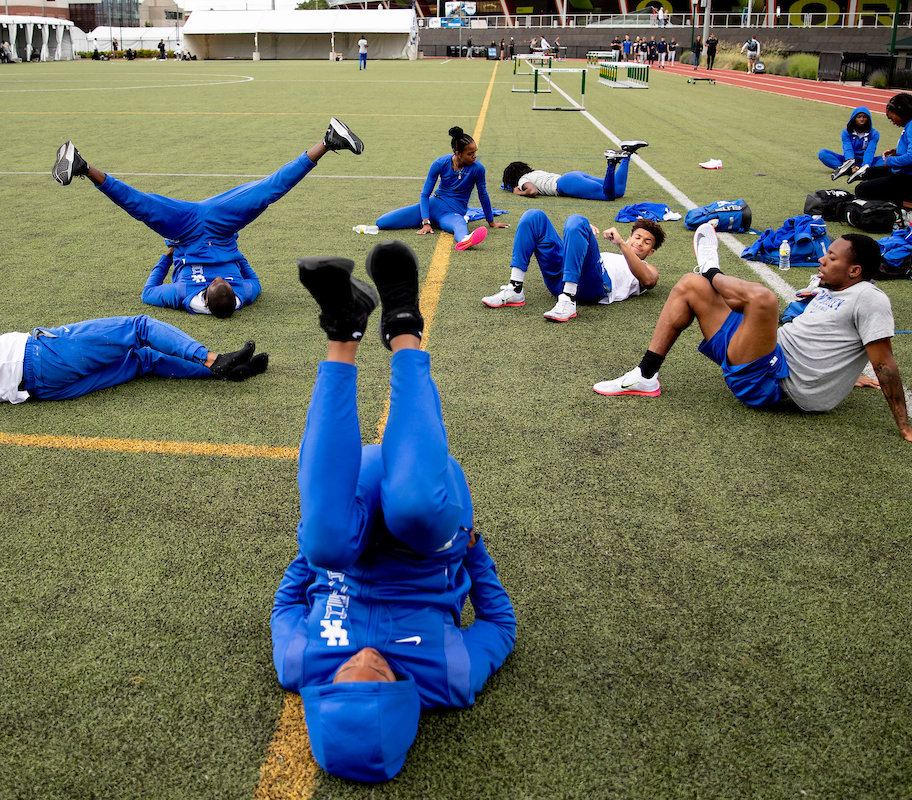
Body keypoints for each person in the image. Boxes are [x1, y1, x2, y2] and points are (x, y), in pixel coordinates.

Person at [272, 240, 516, 783]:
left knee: (322, 543)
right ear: (402, 697)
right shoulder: (449, 678)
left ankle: (344, 328)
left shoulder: (297, 663)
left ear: (325, 689)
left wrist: (310, 548)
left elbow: (288, 600)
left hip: (353, 510)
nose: (362, 662)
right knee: (410, 509)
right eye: (377, 679)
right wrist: (475, 554)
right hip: (428, 524)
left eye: (345, 678)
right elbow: (501, 624)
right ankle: (404, 324)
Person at [592, 224, 912, 449]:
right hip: (765, 357)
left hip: (774, 385)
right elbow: (829, 341)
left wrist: (905, 427)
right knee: (689, 286)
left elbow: (885, 362)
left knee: (762, 297)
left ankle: (711, 266)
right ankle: (645, 375)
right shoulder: (831, 291)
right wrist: (846, 373)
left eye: (830, 257)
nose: (821, 261)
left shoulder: (870, 298)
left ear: (855, 270)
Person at [51, 119, 364, 318]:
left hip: (185, 229)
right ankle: (328, 140)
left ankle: (81, 165)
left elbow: (149, 293)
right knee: (268, 191)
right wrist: (235, 252)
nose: (220, 278)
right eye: (224, 282)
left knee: (138, 204)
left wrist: (166, 256)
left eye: (216, 283)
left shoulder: (184, 295)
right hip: (219, 225)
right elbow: (253, 279)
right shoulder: (242, 294)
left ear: (206, 294)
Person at [0, 303, 268, 406]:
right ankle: (213, 359)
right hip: (43, 357)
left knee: (143, 361)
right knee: (138, 328)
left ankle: (224, 372)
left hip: (47, 388)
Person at [481, 210, 662, 323]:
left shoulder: (647, 267)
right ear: (631, 237)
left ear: (651, 251)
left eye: (647, 242)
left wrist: (621, 244)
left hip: (592, 288)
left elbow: (648, 280)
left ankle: (568, 300)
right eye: (637, 237)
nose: (640, 243)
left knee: (577, 221)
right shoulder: (612, 255)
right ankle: (515, 289)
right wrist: (582, 234)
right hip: (562, 280)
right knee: (534, 216)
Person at [374, 126, 508, 251]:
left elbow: (483, 195)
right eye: (470, 153)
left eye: (475, 152)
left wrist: (491, 222)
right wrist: (426, 221)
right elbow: (425, 194)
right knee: (382, 222)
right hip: (433, 206)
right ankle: (434, 223)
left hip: (452, 213)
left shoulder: (478, 169)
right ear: (458, 153)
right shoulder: (440, 163)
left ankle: (465, 239)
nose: (475, 156)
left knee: (460, 224)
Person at [850, 93, 912, 228]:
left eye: (892, 118)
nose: (893, 122)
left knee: (863, 190)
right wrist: (898, 151)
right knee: (871, 174)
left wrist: (890, 161)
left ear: (900, 111)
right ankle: (904, 206)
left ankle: (911, 208)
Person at [500, 141, 648, 201]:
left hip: (565, 184)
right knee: (618, 190)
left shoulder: (522, 180)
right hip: (572, 176)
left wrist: (519, 192)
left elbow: (532, 191)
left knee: (608, 196)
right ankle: (627, 153)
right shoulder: (533, 172)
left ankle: (611, 162)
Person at [820, 106, 881, 180]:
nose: (862, 119)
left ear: (868, 119)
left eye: (864, 117)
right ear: (854, 119)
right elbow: (848, 149)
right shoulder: (846, 132)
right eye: (859, 117)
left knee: (887, 159)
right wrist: (851, 165)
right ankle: (848, 170)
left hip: (866, 162)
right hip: (849, 161)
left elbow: (870, 151)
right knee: (822, 153)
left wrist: (865, 166)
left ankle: (863, 171)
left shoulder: (874, 134)